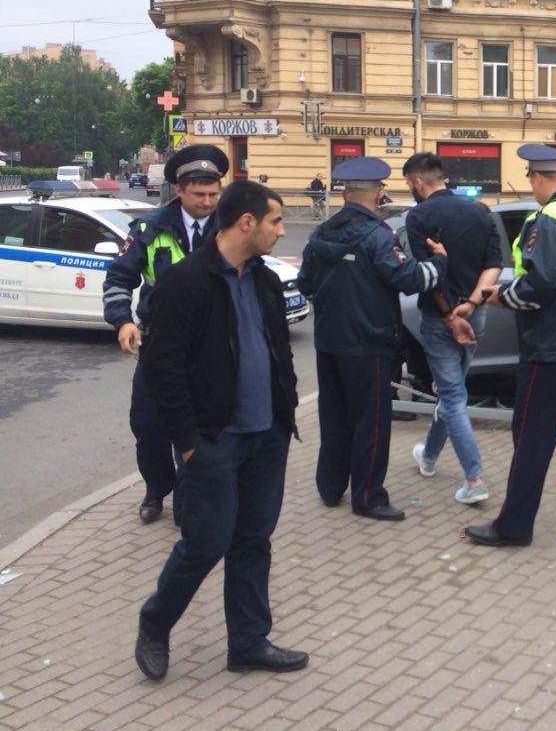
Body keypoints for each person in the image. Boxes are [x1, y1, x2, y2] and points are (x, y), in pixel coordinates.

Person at [133, 180, 306, 681]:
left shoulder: (266, 280)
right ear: (246, 223)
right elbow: (161, 369)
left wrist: (286, 408)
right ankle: (154, 623)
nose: (281, 230)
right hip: (212, 440)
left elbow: (280, 350)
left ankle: (248, 643)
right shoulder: (185, 282)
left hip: (266, 436)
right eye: (275, 221)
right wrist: (187, 444)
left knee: (254, 539)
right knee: (206, 543)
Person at [464, 144, 556, 547]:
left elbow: (542, 283)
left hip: (551, 348)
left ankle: (513, 527)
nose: (531, 186)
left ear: (542, 177)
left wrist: (503, 297)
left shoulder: (551, 218)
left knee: (532, 437)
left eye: (531, 177)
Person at [297, 157, 448, 521]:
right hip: (370, 344)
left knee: (334, 417)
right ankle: (368, 497)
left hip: (329, 342)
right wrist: (440, 263)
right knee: (372, 421)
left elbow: (305, 284)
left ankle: (330, 487)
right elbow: (410, 279)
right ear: (378, 194)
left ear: (346, 193)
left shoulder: (321, 233)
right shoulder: (377, 237)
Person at [104, 144, 228, 525]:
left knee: (202, 427)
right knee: (149, 426)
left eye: (213, 194)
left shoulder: (232, 227)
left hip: (211, 346)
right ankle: (157, 488)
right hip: (159, 344)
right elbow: (119, 277)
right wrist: (122, 320)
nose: (208, 202)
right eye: (199, 194)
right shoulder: (149, 227)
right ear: (179, 190)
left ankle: (191, 500)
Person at [402, 152, 503, 506]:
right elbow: (495, 266)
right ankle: (428, 457)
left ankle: (474, 479)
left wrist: (450, 315)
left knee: (454, 397)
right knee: (451, 390)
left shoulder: (419, 216)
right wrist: (471, 305)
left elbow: (426, 275)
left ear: (417, 182)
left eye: (408, 185)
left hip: (443, 319)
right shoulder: (480, 211)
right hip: (475, 316)